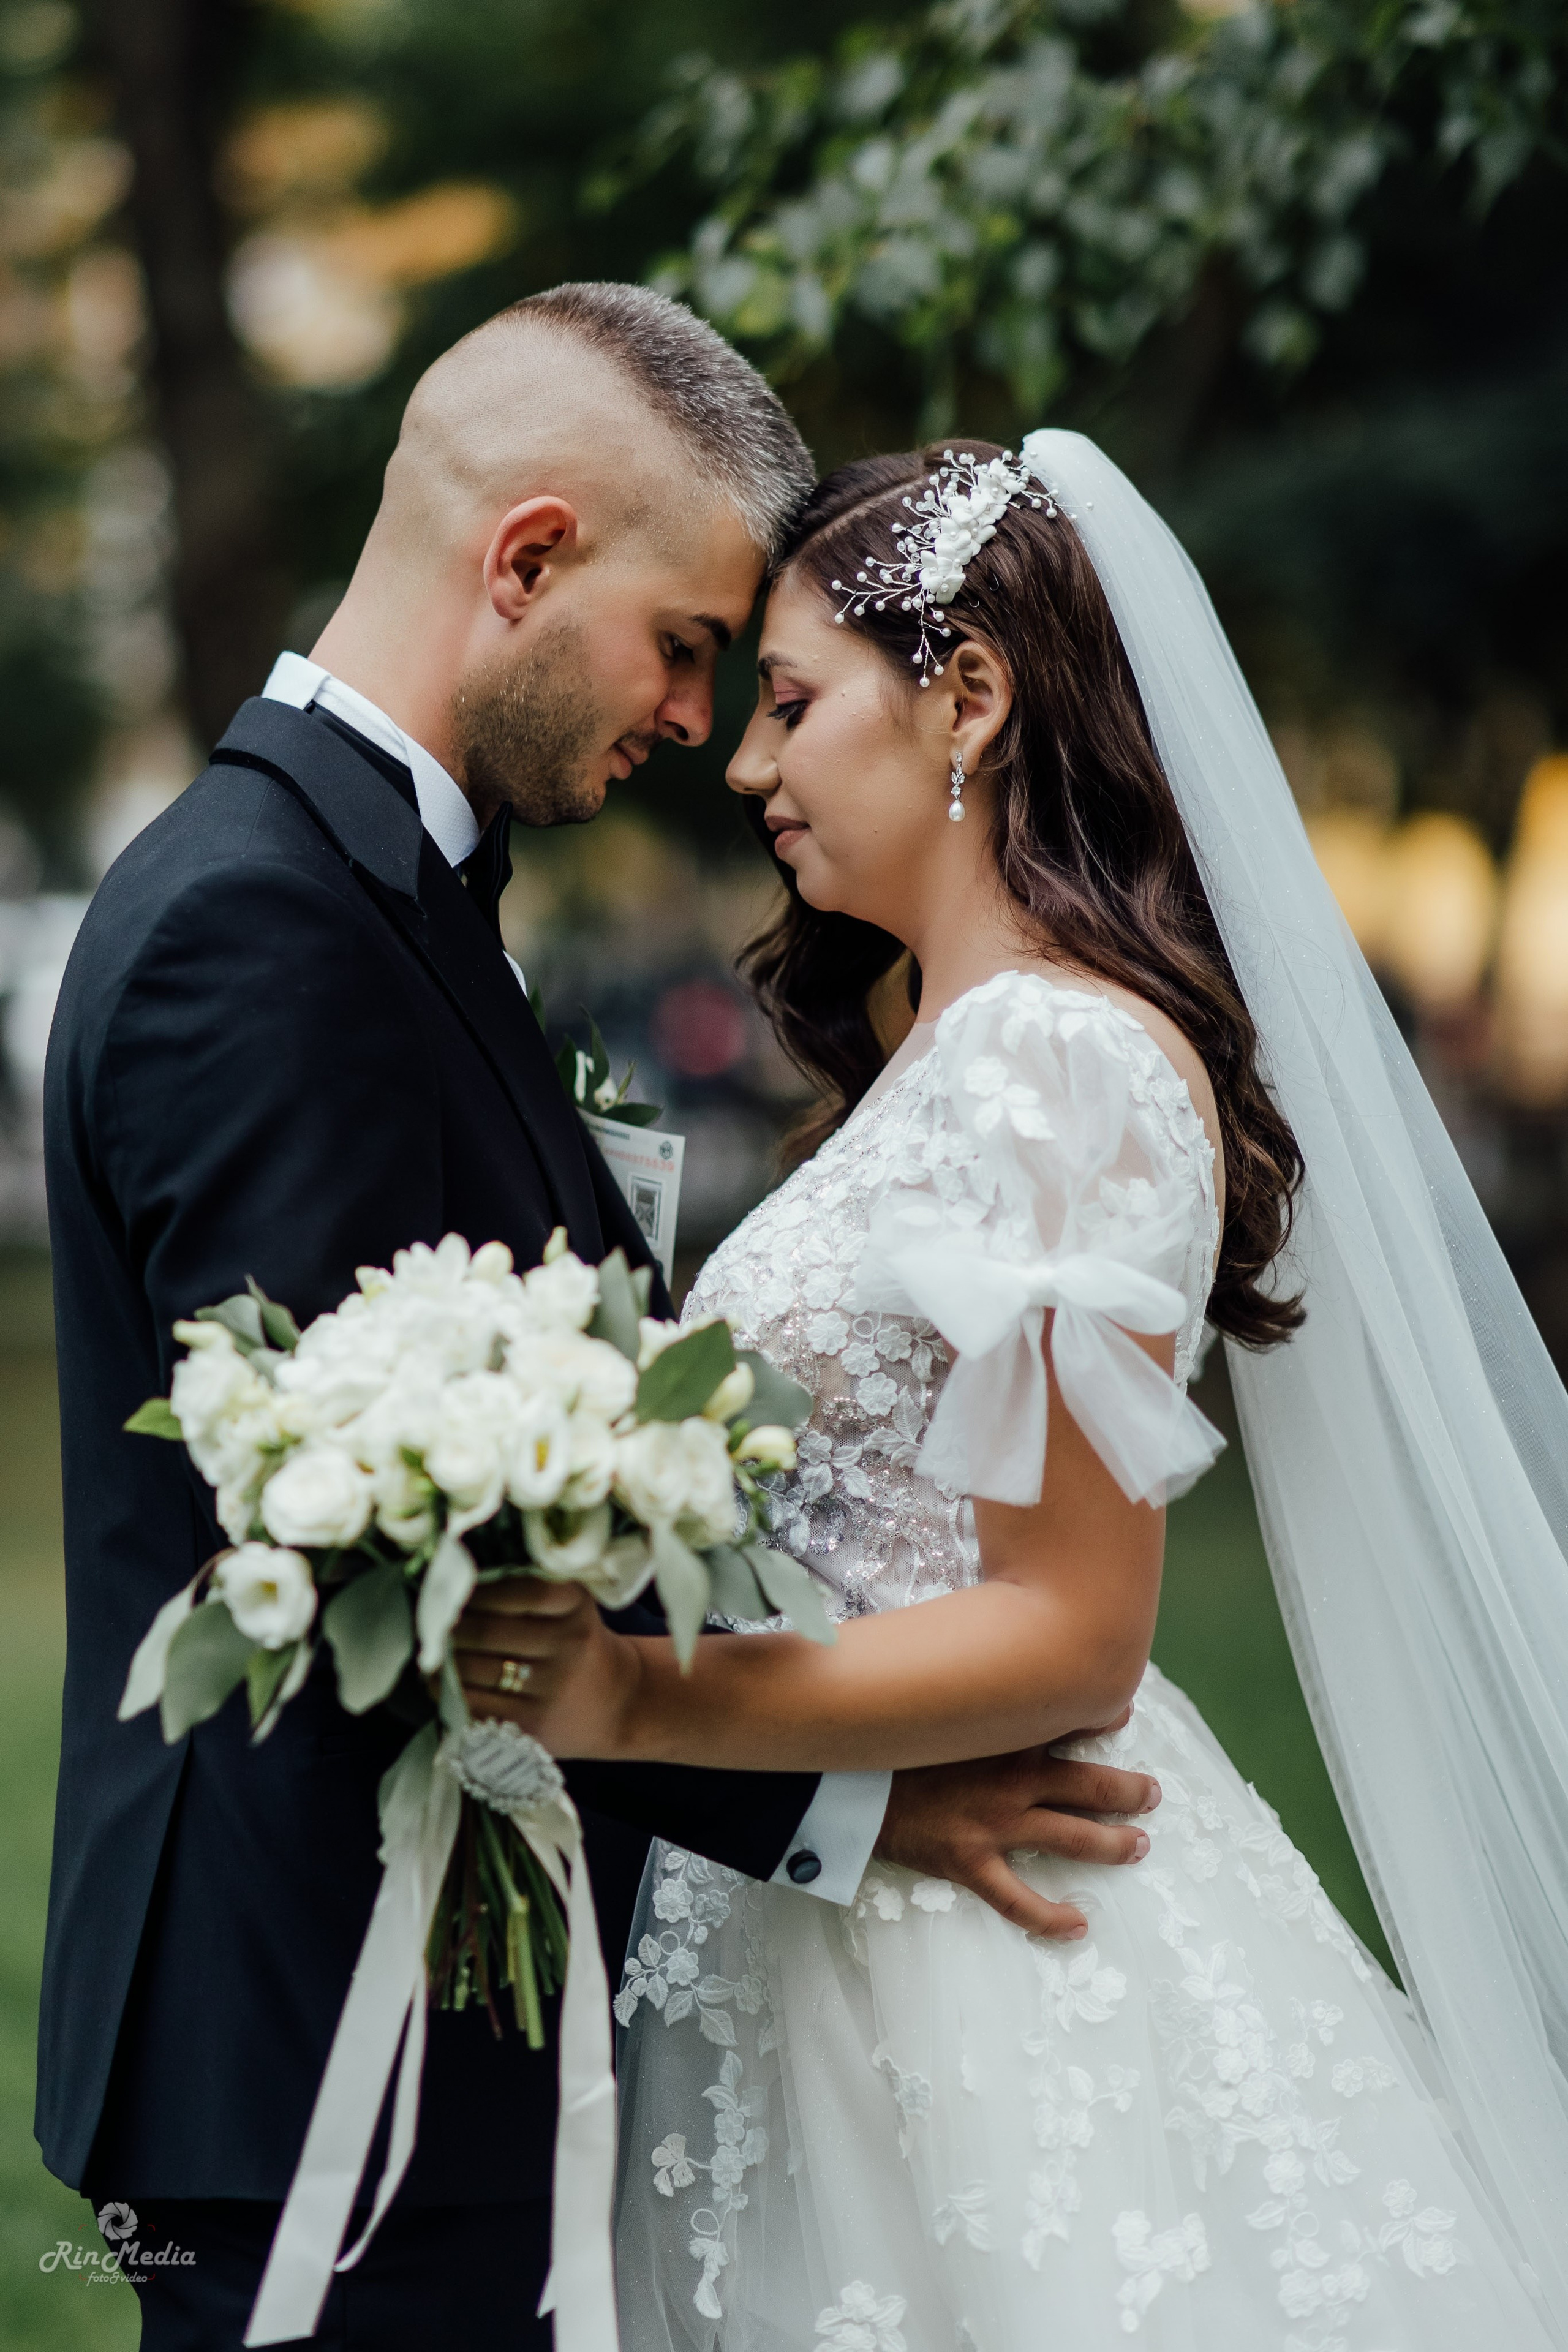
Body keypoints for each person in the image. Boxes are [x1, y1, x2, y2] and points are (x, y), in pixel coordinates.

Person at [37, 294, 1155, 2350]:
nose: (701, 730)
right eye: (689, 644)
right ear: (530, 560)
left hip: (413, 2025)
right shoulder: (267, 928)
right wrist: (845, 1800)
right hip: (328, 2051)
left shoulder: (361, 892)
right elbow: (362, 1556)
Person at [459, 437, 1568, 2344]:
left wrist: (635, 1690)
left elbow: (1070, 1630)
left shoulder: (1058, 1064)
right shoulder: (950, 1055)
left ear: (967, 691)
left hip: (992, 1958)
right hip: (826, 1916)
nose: (745, 765)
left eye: (795, 705)